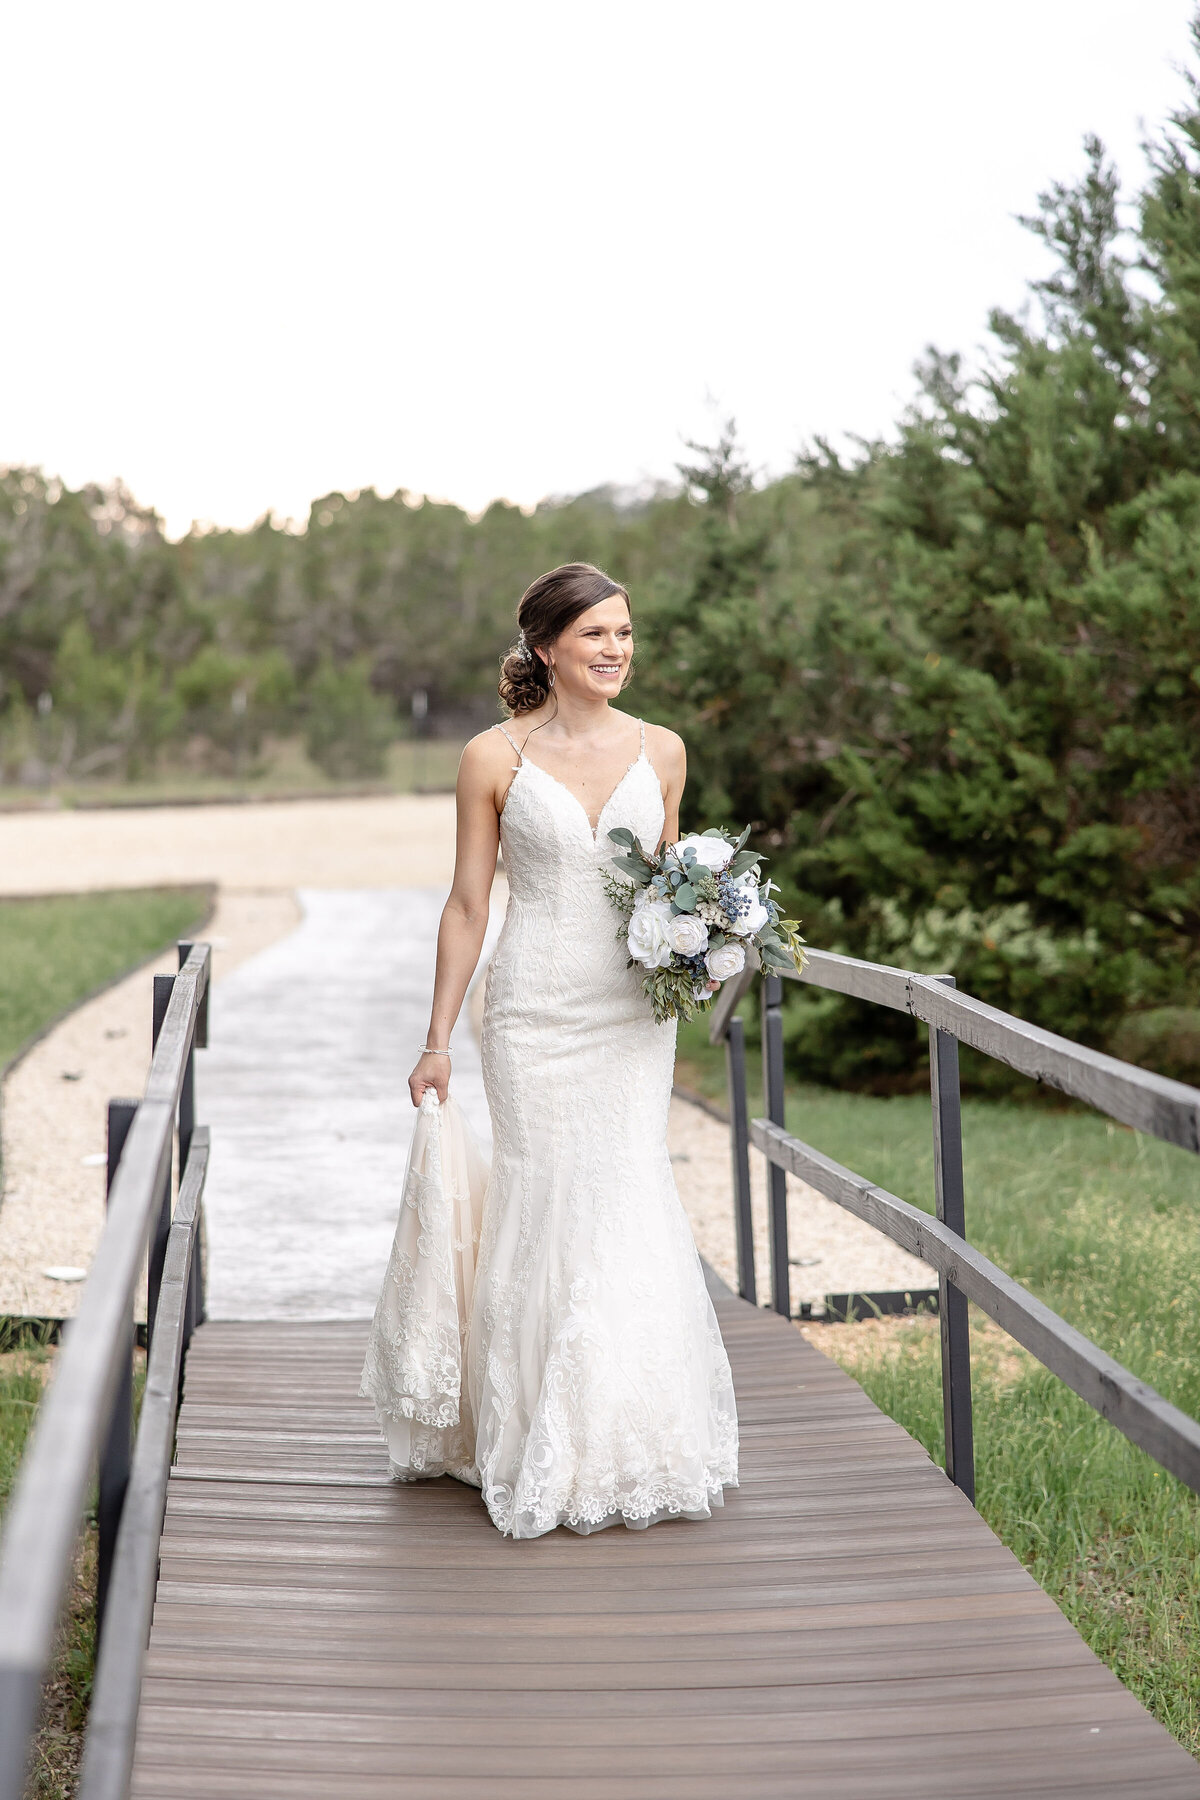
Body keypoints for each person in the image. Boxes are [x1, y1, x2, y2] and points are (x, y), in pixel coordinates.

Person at [378, 561, 738, 1539]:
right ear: (547, 648)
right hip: (531, 1014)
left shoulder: (663, 751)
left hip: (630, 1020)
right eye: (596, 636)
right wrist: (436, 1037)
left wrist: (709, 945)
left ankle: (630, 1437)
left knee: (623, 1200)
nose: (617, 650)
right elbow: (466, 903)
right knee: (544, 1206)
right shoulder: (491, 759)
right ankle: (534, 1435)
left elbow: (671, 886)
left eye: (625, 633)